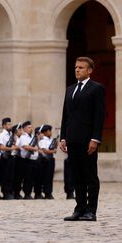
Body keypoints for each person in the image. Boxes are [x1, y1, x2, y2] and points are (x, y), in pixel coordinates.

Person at [61, 57, 106, 221]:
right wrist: (63, 137)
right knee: (76, 176)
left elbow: (99, 116)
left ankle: (91, 211)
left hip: (88, 140)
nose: (77, 70)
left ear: (89, 70)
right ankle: (79, 209)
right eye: (76, 67)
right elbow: (65, 115)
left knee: (90, 176)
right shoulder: (70, 89)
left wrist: (95, 138)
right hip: (72, 139)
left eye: (81, 67)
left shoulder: (96, 89)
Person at [18, 121, 39, 199]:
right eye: (29, 127)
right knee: (27, 177)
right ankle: (26, 193)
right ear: (24, 129)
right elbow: (25, 146)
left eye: (31, 127)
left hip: (34, 159)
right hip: (27, 160)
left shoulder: (32, 137)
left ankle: (29, 192)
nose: (31, 129)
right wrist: (35, 148)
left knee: (32, 178)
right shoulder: (23, 137)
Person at [0, 118, 15, 200]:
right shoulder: (1, 135)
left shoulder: (11, 134)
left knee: (11, 175)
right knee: (5, 175)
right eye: (8, 124)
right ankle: (5, 192)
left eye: (10, 124)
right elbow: (1, 147)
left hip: (11, 156)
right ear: (4, 125)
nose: (10, 126)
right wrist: (10, 149)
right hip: (5, 157)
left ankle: (10, 191)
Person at [38, 124, 57, 199]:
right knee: (46, 177)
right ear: (45, 132)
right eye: (49, 131)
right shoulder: (43, 141)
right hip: (46, 160)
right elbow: (45, 151)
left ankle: (49, 192)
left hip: (51, 160)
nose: (50, 132)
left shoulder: (51, 140)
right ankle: (46, 192)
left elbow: (54, 149)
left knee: (50, 177)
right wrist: (53, 151)